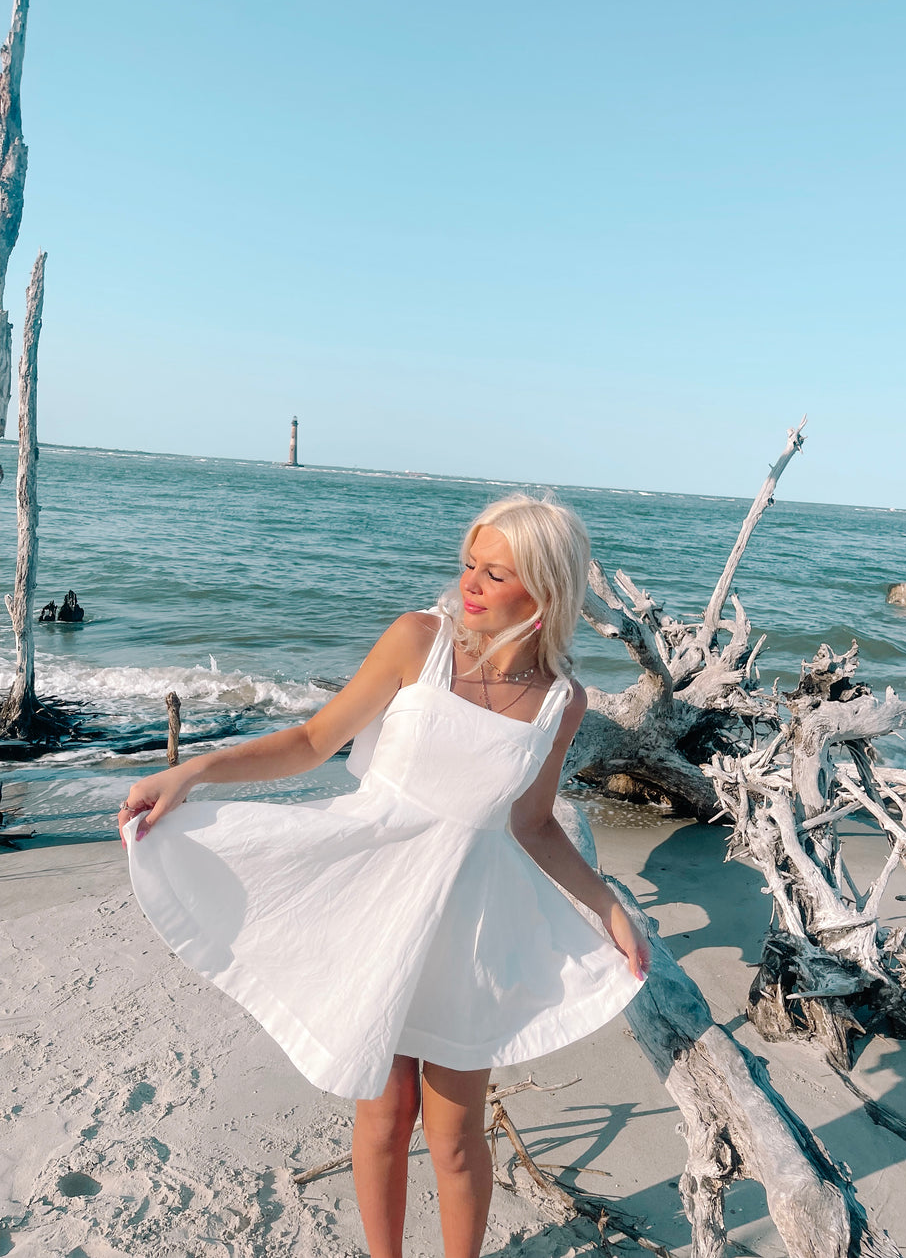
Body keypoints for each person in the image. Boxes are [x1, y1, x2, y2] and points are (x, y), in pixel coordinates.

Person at [119, 493, 650, 1258]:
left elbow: (532, 822)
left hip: (468, 928)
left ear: (543, 591)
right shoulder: (419, 641)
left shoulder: (560, 702)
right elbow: (313, 739)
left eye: (495, 572)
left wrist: (608, 906)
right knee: (386, 1113)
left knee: (457, 1134)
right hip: (375, 902)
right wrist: (193, 772)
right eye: (469, 563)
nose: (470, 582)